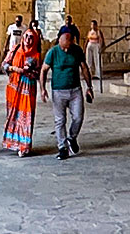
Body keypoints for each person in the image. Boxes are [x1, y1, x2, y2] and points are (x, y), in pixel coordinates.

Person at [45, 25, 97, 159]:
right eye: (65, 43)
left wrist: (89, 87)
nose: (67, 47)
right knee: (60, 120)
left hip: (75, 90)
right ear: (60, 39)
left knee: (78, 117)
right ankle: (62, 147)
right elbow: (43, 70)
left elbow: (84, 68)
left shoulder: (77, 50)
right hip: (58, 90)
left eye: (70, 42)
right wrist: (42, 88)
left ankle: (72, 137)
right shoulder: (53, 52)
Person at [1, 28, 45, 156]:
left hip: (27, 88)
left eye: (31, 37)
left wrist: (30, 72)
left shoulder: (36, 55)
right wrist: (15, 68)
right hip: (14, 86)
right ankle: (12, 142)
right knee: (13, 115)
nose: (28, 39)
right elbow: (4, 65)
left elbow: (38, 73)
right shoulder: (15, 49)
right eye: (26, 36)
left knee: (26, 116)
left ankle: (24, 146)